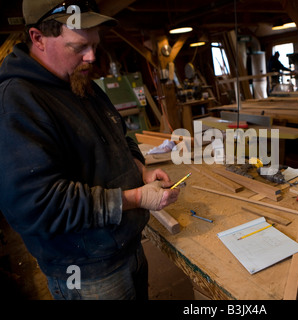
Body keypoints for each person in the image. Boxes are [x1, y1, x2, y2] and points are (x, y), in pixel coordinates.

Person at [0, 0, 180, 300]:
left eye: (95, 44)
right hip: (85, 269)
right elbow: (37, 206)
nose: (91, 56)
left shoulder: (83, 83)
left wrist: (142, 170)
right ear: (38, 38)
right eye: (78, 46)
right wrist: (135, 198)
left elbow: (121, 137)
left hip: (125, 246)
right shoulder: (16, 103)